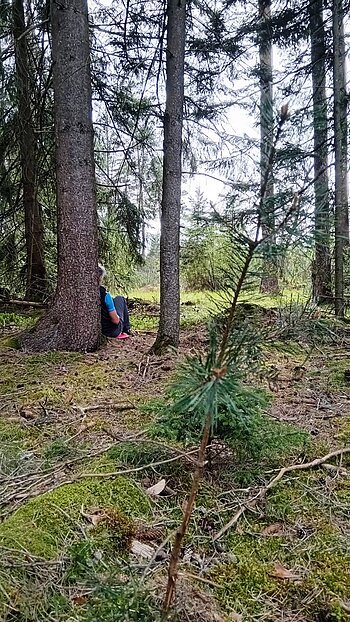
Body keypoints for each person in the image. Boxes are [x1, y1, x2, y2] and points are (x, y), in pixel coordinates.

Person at [99, 264, 131, 339]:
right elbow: (115, 321)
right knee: (120, 298)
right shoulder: (105, 295)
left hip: (98, 330)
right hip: (111, 331)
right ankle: (126, 329)